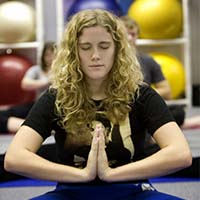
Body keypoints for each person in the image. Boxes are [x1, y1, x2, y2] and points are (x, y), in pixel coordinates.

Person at [4, 9, 192, 200]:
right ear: (74, 52)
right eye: (85, 47)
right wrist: (83, 175)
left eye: (104, 46)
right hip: (71, 193)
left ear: (117, 49)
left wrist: (110, 174)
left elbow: (180, 153)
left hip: (133, 191)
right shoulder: (56, 97)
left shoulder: (141, 94)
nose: (95, 55)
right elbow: (14, 158)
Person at [120, 15, 200, 129]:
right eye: (125, 34)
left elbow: (167, 92)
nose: (129, 38)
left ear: (137, 36)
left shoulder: (148, 60)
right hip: (119, 108)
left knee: (178, 112)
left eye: (133, 34)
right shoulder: (110, 61)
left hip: (142, 108)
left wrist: (141, 95)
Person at [0, 41, 56, 134]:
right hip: (37, 104)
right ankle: (36, 126)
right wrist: (46, 81)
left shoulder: (63, 71)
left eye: (53, 55)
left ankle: (40, 127)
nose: (50, 58)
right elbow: (25, 84)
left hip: (54, 108)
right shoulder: (36, 70)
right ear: (43, 56)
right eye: (47, 55)